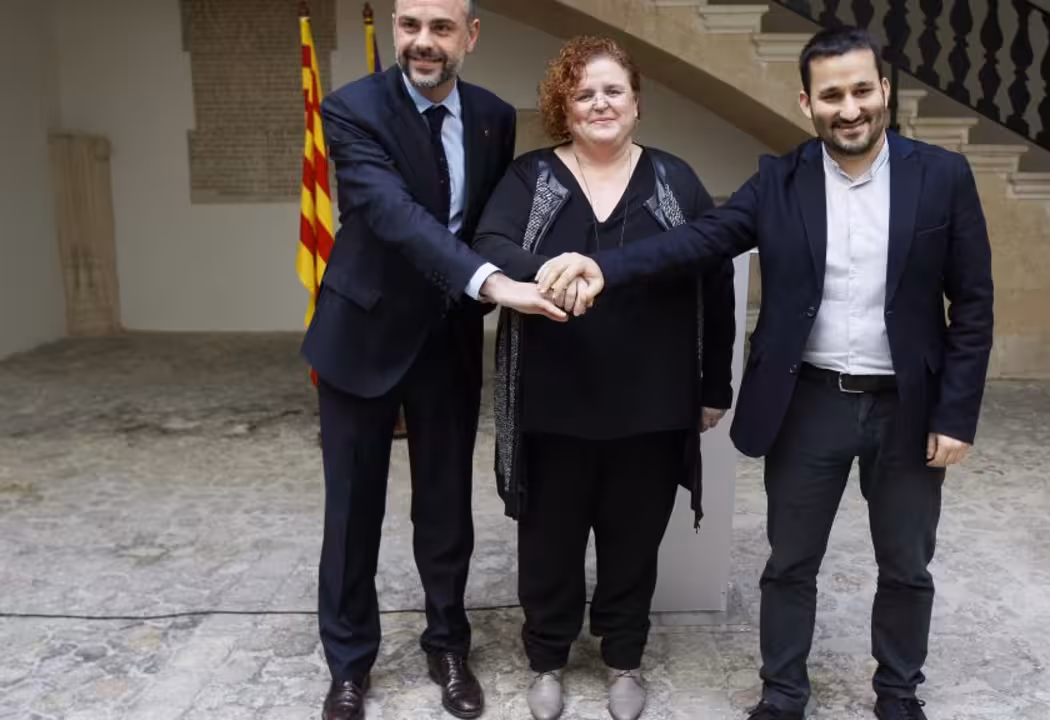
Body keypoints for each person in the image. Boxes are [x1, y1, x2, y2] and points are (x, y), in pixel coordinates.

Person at [537, 26, 995, 720]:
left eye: (862, 91)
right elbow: (699, 241)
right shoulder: (780, 181)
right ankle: (782, 695)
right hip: (808, 403)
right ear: (807, 103)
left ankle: (899, 693)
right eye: (831, 96)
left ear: (885, 91)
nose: (849, 109)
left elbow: (974, 304)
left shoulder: (943, 176)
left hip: (907, 405)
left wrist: (955, 415)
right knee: (790, 564)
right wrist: (604, 266)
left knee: (906, 565)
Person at [301, 1, 566, 718]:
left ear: (470, 35)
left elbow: (488, 224)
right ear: (395, 27)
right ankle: (349, 665)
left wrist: (538, 269)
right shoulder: (352, 108)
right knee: (351, 510)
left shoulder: (493, 117)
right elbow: (393, 214)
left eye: (441, 27)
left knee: (446, 507)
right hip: (360, 334)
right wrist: (492, 283)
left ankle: (448, 645)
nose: (423, 41)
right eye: (410, 24)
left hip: (446, 338)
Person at [469, 35, 736, 720]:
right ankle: (547, 659)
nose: (600, 103)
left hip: (652, 405)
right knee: (548, 544)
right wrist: (547, 268)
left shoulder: (675, 182)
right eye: (583, 93)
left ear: (637, 102)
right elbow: (489, 245)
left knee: (633, 543)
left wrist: (715, 386)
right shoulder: (531, 178)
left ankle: (623, 658)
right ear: (564, 107)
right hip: (552, 403)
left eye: (613, 90)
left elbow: (715, 280)